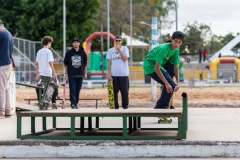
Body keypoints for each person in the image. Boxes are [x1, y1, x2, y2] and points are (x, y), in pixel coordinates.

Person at [143, 31, 184, 109]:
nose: (177, 44)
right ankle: (160, 108)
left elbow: (176, 67)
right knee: (169, 84)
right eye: (175, 41)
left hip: (157, 66)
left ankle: (160, 107)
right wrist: (166, 83)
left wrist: (178, 82)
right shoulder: (164, 49)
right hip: (149, 66)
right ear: (171, 39)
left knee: (172, 84)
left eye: (179, 42)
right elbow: (156, 68)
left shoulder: (176, 50)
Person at [64, 38, 87, 109]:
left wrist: (85, 73)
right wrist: (66, 73)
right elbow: (66, 64)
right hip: (72, 74)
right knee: (72, 89)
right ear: (72, 44)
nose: (76, 43)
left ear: (79, 43)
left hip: (80, 74)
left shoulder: (83, 52)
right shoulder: (69, 53)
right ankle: (73, 103)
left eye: (77, 42)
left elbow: (85, 64)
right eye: (74, 42)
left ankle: (76, 102)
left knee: (78, 89)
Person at [107, 35, 129, 109]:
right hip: (114, 74)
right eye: (116, 40)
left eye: (119, 40)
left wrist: (119, 50)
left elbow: (125, 58)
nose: (118, 42)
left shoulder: (125, 49)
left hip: (123, 74)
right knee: (114, 91)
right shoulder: (111, 50)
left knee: (124, 91)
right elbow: (109, 62)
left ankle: (125, 105)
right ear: (114, 41)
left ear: (121, 41)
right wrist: (109, 73)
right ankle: (115, 106)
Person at [36, 36, 56, 110]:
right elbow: (50, 63)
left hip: (41, 72)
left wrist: (37, 73)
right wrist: (54, 72)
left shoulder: (39, 51)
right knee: (49, 88)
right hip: (47, 73)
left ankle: (43, 104)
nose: (50, 44)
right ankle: (44, 104)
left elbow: (37, 63)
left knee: (46, 88)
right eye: (50, 43)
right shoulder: (48, 51)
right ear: (48, 42)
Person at [0, 20, 13, 118]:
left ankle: (1, 111)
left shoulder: (1, 34)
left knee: (1, 88)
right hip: (8, 64)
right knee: (6, 88)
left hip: (2, 64)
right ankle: (8, 111)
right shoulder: (9, 34)